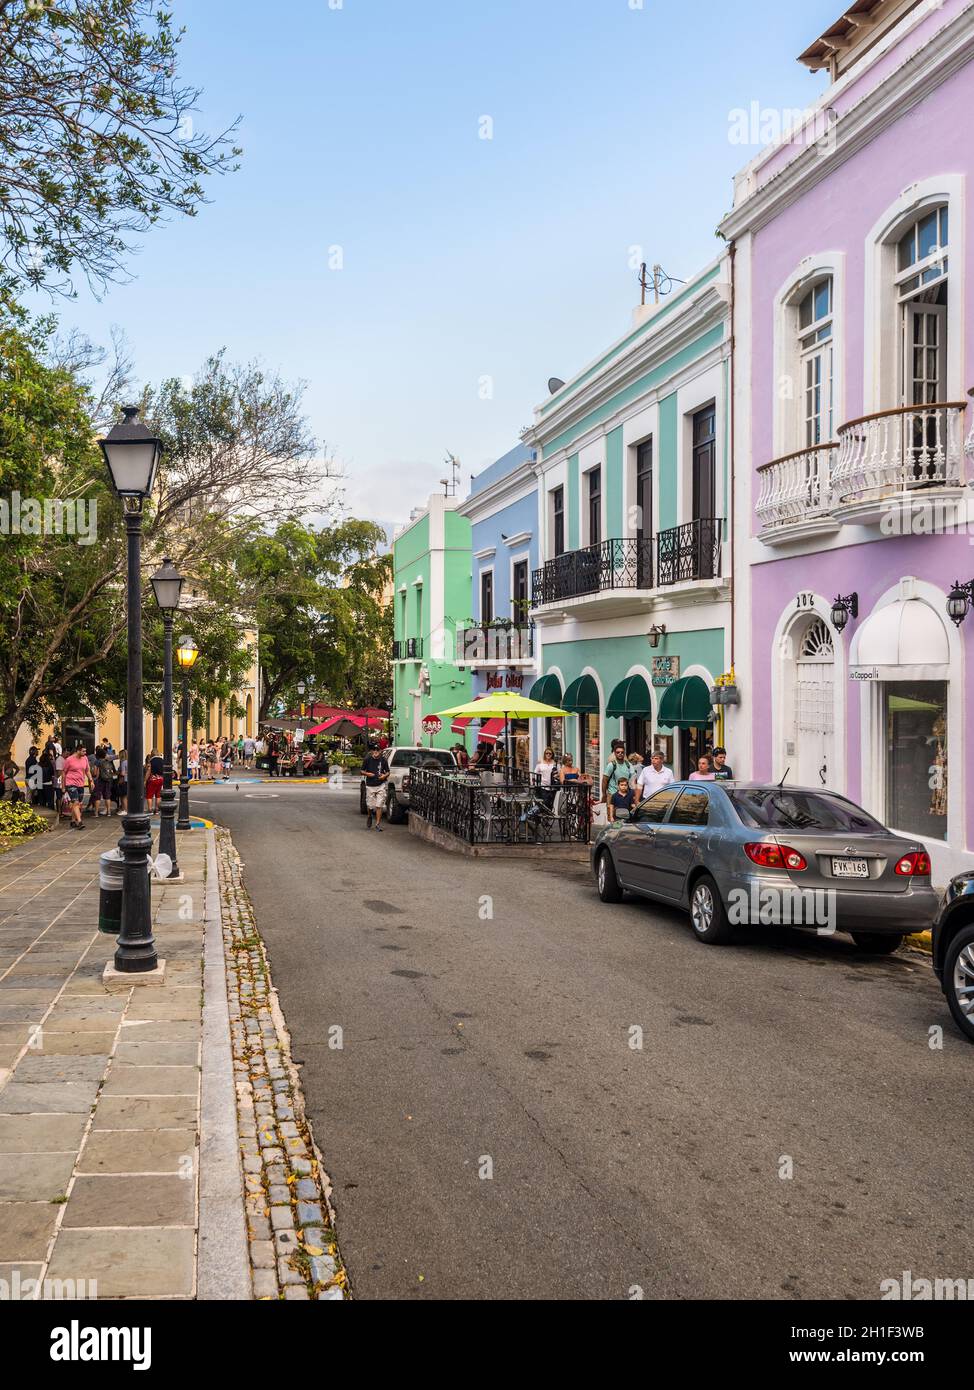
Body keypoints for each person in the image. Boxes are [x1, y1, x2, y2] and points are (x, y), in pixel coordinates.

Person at [62, 742, 93, 828]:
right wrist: (63, 786)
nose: (85, 753)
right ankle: (79, 821)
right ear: (78, 751)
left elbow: (87, 770)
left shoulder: (85, 758)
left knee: (78, 804)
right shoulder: (69, 759)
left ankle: (72, 821)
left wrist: (91, 780)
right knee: (75, 802)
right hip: (71, 783)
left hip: (80, 783)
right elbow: (64, 772)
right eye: (83, 751)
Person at [361, 740, 390, 831]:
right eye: (374, 749)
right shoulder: (367, 759)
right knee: (370, 805)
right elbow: (362, 771)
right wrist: (368, 774)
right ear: (372, 751)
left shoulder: (383, 760)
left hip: (381, 784)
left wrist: (384, 776)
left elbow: (388, 772)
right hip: (370, 785)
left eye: (377, 749)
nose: (376, 751)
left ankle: (377, 824)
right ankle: (369, 816)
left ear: (380, 751)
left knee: (379, 804)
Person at [601, 743, 633, 809]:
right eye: (618, 752)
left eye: (622, 752)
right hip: (612, 794)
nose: (620, 754)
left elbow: (633, 780)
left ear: (624, 753)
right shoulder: (611, 765)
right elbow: (604, 780)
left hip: (625, 795)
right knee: (611, 816)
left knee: (624, 815)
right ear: (615, 753)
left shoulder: (629, 765)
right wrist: (604, 795)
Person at [92, 744, 117, 816]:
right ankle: (109, 812)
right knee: (107, 796)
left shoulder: (97, 761)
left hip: (99, 780)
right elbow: (113, 770)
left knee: (98, 796)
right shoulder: (109, 761)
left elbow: (95, 772)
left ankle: (96, 813)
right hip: (109, 779)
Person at [116, 749, 128, 813]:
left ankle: (125, 810)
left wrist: (118, 772)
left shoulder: (123, 762)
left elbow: (122, 773)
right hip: (130, 781)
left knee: (123, 796)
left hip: (124, 780)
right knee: (127, 796)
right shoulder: (130, 761)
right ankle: (126, 809)